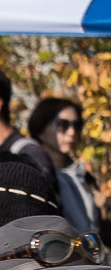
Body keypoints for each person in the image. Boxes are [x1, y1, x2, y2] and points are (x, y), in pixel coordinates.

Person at [27, 98, 97, 234]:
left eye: (76, 126)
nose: (71, 132)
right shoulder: (33, 174)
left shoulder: (82, 175)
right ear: (41, 130)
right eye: (62, 125)